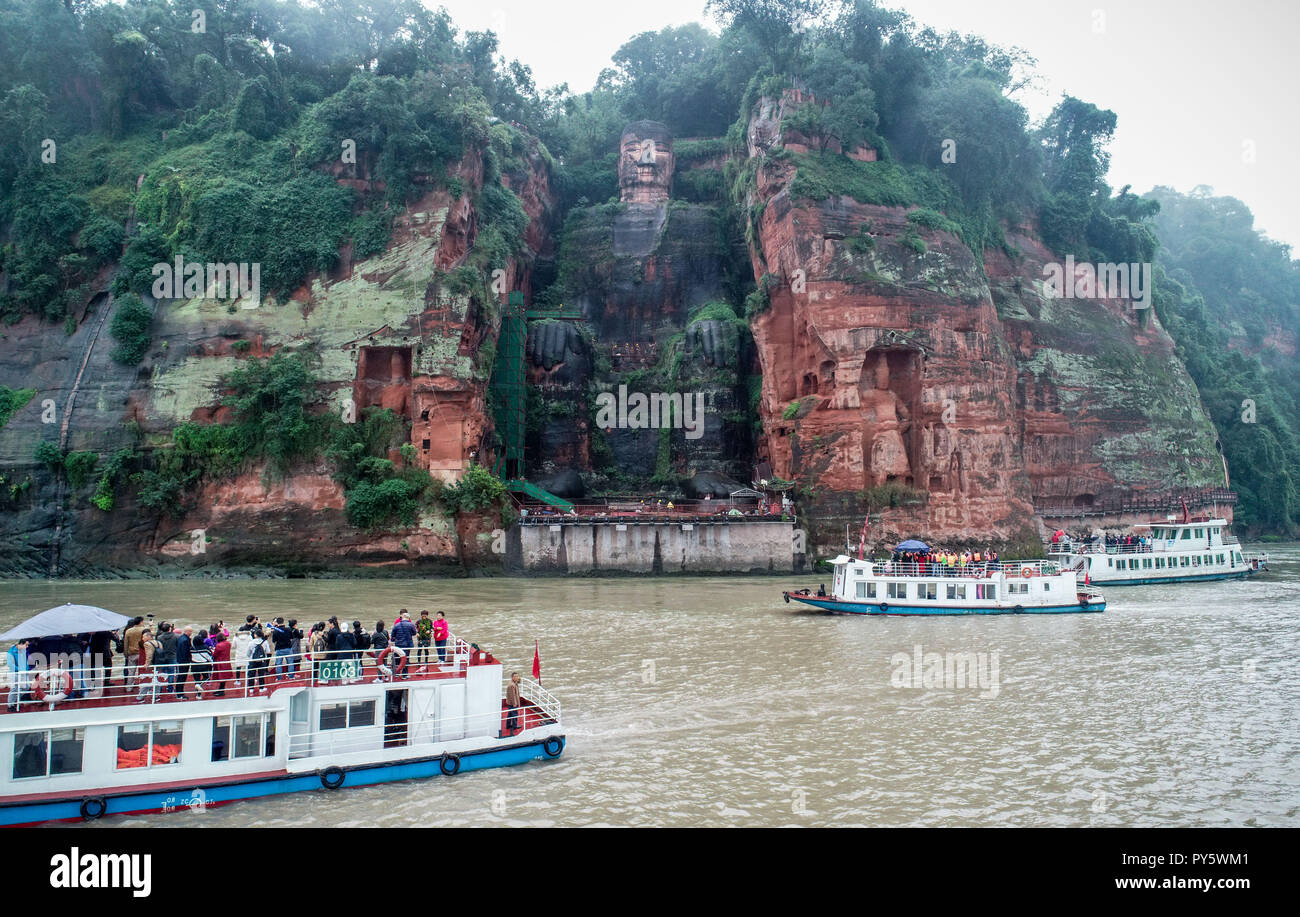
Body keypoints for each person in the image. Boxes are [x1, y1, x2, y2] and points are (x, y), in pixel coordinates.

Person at [391, 612, 416, 679]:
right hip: (407, 644)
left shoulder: (397, 625)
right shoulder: (411, 625)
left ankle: (397, 673)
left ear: (402, 617)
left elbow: (393, 635)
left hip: (398, 644)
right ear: (408, 618)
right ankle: (404, 675)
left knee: (397, 659)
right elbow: (414, 633)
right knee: (406, 659)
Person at [6, 639, 29, 712]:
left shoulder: (23, 651)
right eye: (26, 645)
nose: (27, 646)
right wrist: (20, 669)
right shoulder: (11, 651)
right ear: (21, 644)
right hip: (14, 673)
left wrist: (26, 670)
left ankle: (15, 700)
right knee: (14, 688)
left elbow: (25, 662)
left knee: (26, 687)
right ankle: (10, 706)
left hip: (22, 673)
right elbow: (10, 664)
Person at [209, 630, 233, 697]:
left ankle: (221, 691)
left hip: (220, 663)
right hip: (226, 662)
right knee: (224, 678)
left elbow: (215, 655)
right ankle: (221, 690)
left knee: (221, 677)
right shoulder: (228, 643)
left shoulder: (219, 645)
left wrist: (212, 650)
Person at [190, 632, 213, 697]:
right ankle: (199, 684)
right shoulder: (205, 647)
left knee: (196, 679)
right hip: (204, 665)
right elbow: (209, 656)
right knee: (206, 676)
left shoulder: (192, 648)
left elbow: (190, 656)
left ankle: (198, 695)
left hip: (194, 665)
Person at [123, 617, 145, 682]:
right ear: (141, 622)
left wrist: (126, 654)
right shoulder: (144, 629)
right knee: (142, 671)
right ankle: (142, 686)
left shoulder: (128, 631)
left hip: (131, 653)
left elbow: (126, 644)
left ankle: (129, 687)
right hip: (142, 653)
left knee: (131, 672)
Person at [174, 625, 194, 697]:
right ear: (187, 631)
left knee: (181, 677)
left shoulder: (181, 638)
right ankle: (180, 693)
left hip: (180, 660)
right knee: (182, 677)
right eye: (190, 631)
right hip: (184, 661)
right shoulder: (185, 640)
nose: (191, 633)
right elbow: (185, 652)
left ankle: (179, 691)